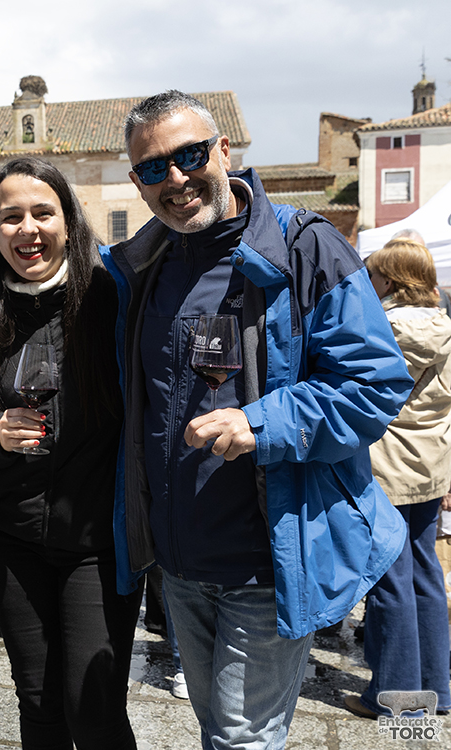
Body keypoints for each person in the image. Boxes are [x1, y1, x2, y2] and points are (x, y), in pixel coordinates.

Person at [102, 90, 413, 749]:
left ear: (224, 152)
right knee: (221, 728)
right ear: (137, 181)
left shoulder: (307, 247)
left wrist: (262, 424)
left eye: (189, 156)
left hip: (270, 560)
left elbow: (375, 384)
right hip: (179, 565)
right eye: (154, 168)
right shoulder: (143, 267)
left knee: (243, 737)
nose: (177, 179)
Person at [0, 156, 142, 749]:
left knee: (93, 706)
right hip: (11, 540)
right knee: (37, 703)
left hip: (95, 544)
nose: (27, 229)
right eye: (11, 217)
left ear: (69, 222)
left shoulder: (110, 305)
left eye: (43, 212)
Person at [343, 239, 451, 718]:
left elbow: (369, 396)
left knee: (390, 579)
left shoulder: (386, 326)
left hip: (388, 464)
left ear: (389, 280)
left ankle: (398, 700)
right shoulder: (447, 326)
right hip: (430, 464)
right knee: (427, 574)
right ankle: (438, 691)